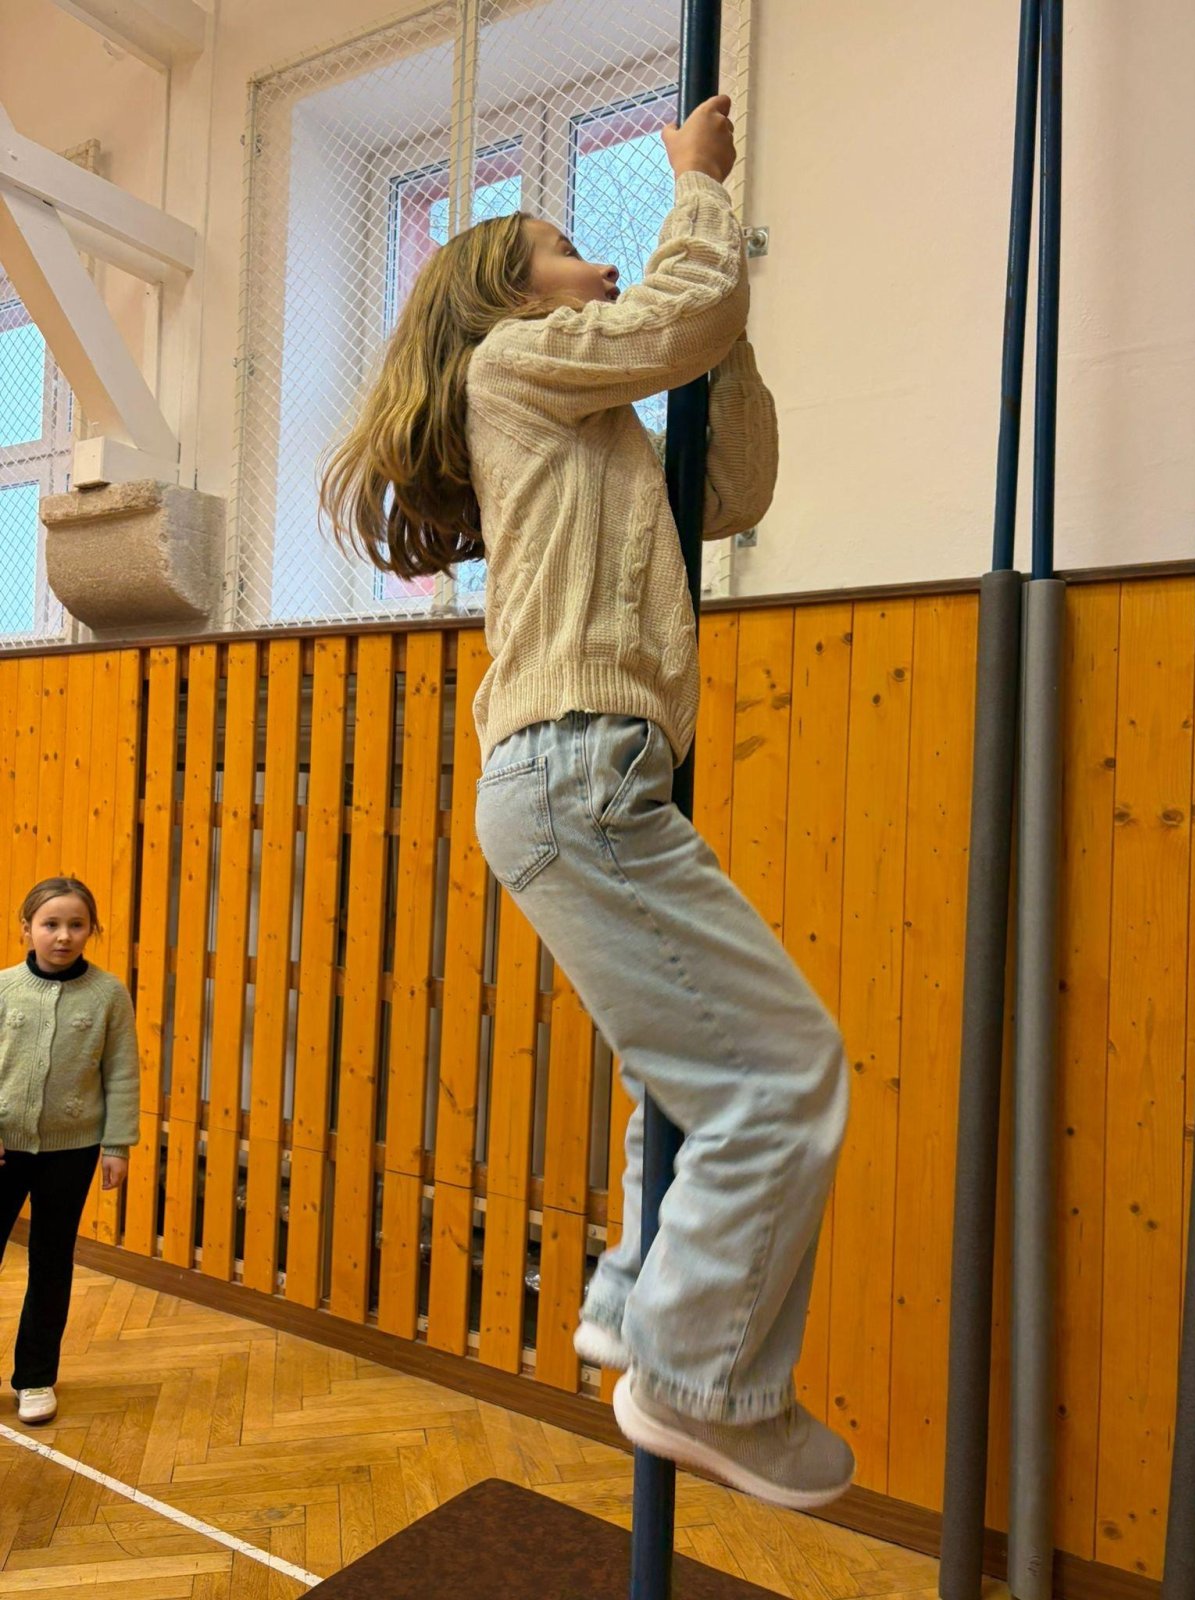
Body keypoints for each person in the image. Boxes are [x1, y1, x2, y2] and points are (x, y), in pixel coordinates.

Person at [321, 95, 853, 1511]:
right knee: (782, 1072)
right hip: (577, 770)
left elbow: (732, 488)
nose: (592, 264)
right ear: (505, 295)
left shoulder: (592, 424)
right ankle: (705, 1379)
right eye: (563, 249)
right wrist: (698, 194)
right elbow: (681, 312)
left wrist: (720, 329)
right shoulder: (513, 367)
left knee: (682, 1068)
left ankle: (634, 1297)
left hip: (585, 776)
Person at [0, 877, 139, 1425]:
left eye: (76, 925)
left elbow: (122, 1073)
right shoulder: (3, 988)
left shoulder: (108, 995)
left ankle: (35, 1378)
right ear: (26, 928)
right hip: (4, 1149)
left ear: (91, 930)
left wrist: (117, 1144)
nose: (63, 936)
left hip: (72, 1152)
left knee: (51, 1261)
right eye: (50, 924)